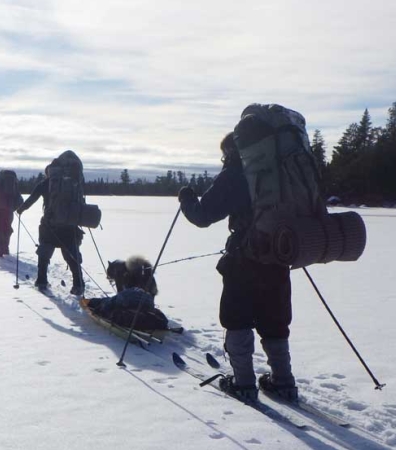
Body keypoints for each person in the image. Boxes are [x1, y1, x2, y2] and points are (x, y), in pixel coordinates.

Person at [178, 126, 298, 403]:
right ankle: (284, 382)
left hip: (246, 258)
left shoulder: (238, 171)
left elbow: (202, 215)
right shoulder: (285, 169)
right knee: (275, 320)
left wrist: (186, 198)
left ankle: (244, 383)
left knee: (237, 318)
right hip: (279, 256)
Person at [16, 151, 86, 295]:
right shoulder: (74, 183)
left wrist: (20, 209)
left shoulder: (45, 183)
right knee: (72, 256)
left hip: (50, 226)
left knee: (44, 254)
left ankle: (41, 281)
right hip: (70, 226)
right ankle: (78, 284)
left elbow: (31, 199)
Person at [83, 256, 168, 331]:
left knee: (118, 304)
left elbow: (118, 297)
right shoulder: (142, 277)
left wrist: (97, 309)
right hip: (146, 300)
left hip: (131, 303)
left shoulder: (121, 274)